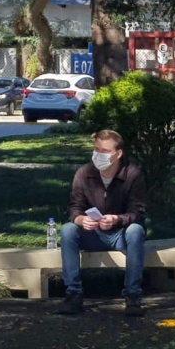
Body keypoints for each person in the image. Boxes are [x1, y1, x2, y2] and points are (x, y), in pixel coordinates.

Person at [59, 130, 147, 316]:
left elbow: (138, 213)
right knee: (68, 230)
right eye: (96, 149)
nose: (99, 155)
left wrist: (117, 219)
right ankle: (73, 294)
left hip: (120, 235)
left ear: (118, 153)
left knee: (136, 231)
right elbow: (74, 208)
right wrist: (81, 220)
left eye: (105, 151)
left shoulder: (132, 174)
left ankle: (132, 296)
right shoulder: (84, 173)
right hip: (92, 234)